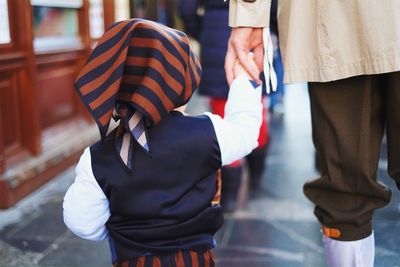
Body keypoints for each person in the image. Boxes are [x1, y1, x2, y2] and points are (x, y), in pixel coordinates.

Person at [63, 19, 263, 266]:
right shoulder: (207, 132)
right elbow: (246, 131)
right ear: (180, 84)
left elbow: (81, 221)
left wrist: (124, 235)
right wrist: (244, 79)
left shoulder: (98, 157)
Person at [225, 1, 400, 266]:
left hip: (334, 22)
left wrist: (248, 16)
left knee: (345, 193)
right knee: (344, 193)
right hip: (337, 21)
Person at [179, 0, 269, 212]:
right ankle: (256, 177)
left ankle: (228, 196)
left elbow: (187, 9)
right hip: (255, 35)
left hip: (216, 35)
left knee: (222, 109)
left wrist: (203, 31)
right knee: (256, 104)